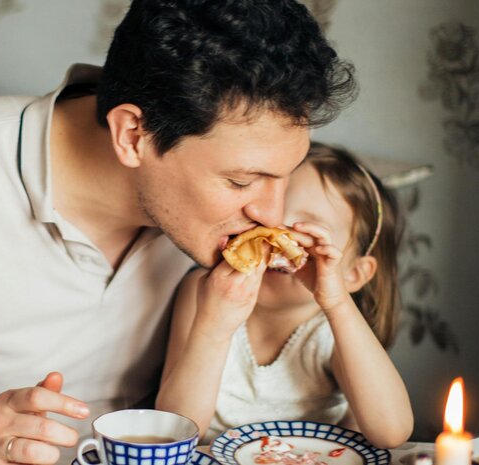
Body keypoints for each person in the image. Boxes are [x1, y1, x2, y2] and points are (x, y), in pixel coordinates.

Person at [0, 1, 357, 464]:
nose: (272, 212)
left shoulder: (219, 223)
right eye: (242, 180)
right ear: (133, 134)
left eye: (285, 176)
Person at [155, 143, 414, 449]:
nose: (277, 239)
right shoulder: (206, 292)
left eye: (307, 232)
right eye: (269, 221)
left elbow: (392, 432)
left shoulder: (332, 329)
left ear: (353, 274)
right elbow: (174, 432)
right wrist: (213, 327)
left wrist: (337, 302)